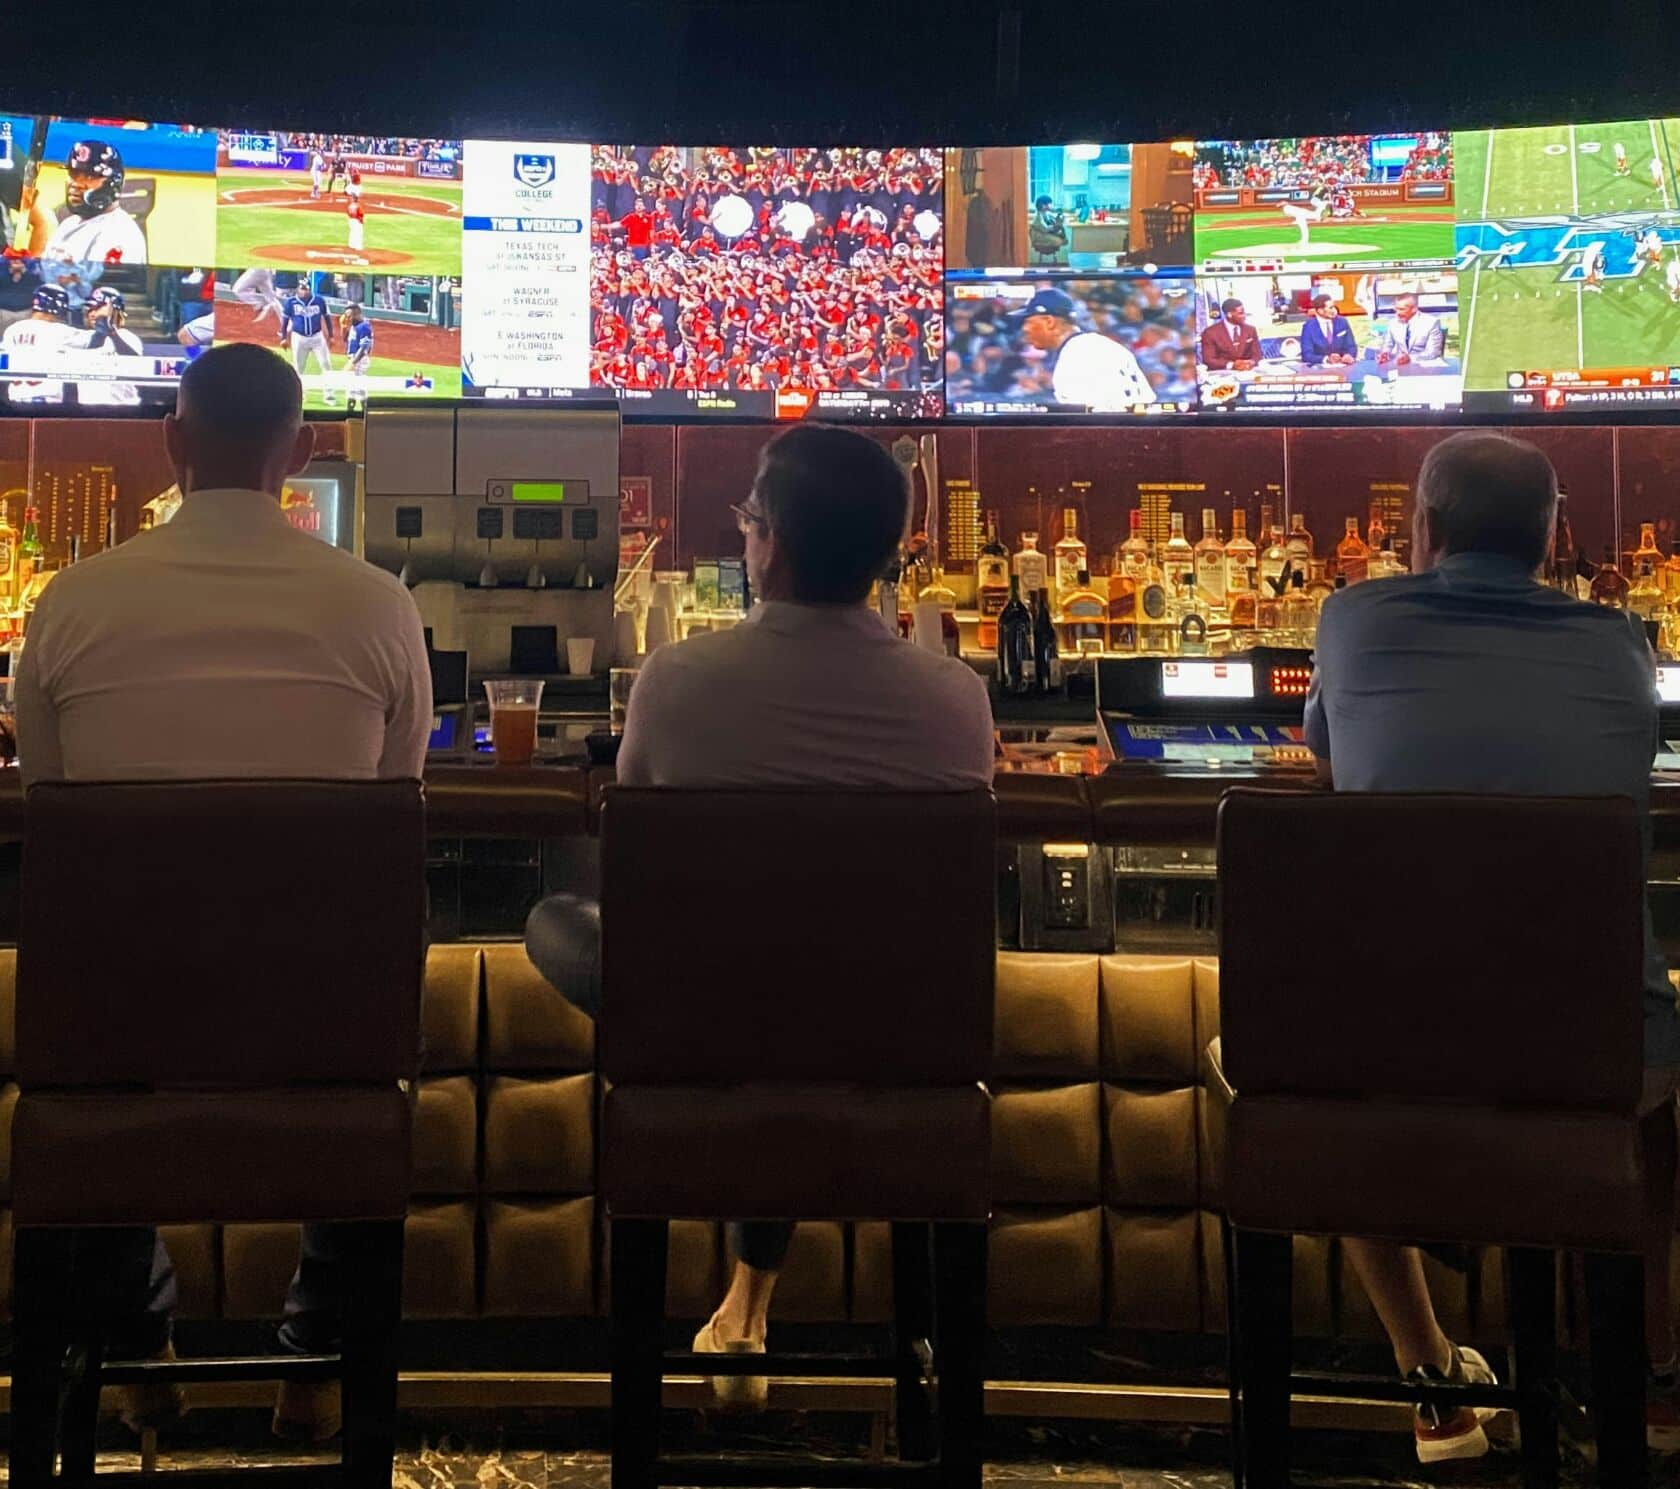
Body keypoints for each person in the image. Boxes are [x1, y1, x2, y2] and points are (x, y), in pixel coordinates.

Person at [11, 342, 432, 1443]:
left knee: (96, 1013)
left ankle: (134, 1342)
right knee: (366, 1001)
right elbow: (392, 807)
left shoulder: (71, 602)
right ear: (303, 451)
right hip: (324, 1035)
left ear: (172, 440)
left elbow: (54, 803)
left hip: (113, 1040)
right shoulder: (380, 606)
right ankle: (319, 1361)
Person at [522, 426, 992, 1407]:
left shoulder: (677, 681)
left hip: (696, 1036)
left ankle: (722, 1309)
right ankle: (756, 1307)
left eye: (746, 523)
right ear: (889, 551)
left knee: (555, 919)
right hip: (895, 1047)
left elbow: (632, 846)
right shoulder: (955, 700)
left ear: (767, 541)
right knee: (802, 981)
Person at [1303, 431, 1680, 1464]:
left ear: (1424, 527)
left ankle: (1432, 1377)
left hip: (1389, 1061)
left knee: (1314, 1056)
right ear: (1550, 539)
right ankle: (1648, 1376)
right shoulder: (1618, 642)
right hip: (1592, 1060)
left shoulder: (1352, 619)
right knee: (1648, 1078)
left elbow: (1330, 758)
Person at [1009, 286, 1155, 410]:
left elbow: (1084, 423)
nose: (1025, 329)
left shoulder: (1074, 358)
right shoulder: (1103, 345)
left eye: (1027, 321)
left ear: (1049, 322)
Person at [21, 139, 148, 266]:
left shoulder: (120, 234)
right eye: (73, 174)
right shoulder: (69, 224)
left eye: (89, 176)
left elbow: (104, 279)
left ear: (115, 182)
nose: (76, 184)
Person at [2, 282, 79, 404]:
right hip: (47, 400)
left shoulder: (12, 330)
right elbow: (94, 341)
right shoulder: (59, 330)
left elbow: (3, 365)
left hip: (15, 400)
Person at [1374, 291, 1446, 366]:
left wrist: (1410, 358)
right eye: (1396, 309)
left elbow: (1433, 352)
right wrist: (1385, 353)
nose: (1397, 313)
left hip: (1423, 366)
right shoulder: (1393, 323)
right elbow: (1387, 345)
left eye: (1401, 309)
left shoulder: (1431, 323)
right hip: (1400, 366)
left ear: (1414, 309)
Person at [283, 278, 335, 377]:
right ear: (298, 289)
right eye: (302, 289)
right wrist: (283, 338)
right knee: (298, 367)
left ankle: (329, 387)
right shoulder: (291, 302)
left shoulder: (319, 300)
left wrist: (331, 336)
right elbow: (285, 321)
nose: (304, 292)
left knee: (326, 364)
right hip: (299, 337)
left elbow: (327, 318)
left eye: (306, 289)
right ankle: (298, 387)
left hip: (317, 337)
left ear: (310, 289)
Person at [1200, 297, 1262, 371]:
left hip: (1248, 372)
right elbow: (1209, 359)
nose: (1244, 316)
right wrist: (1232, 365)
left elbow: (1257, 355)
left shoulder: (1250, 330)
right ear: (1229, 314)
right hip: (1222, 373)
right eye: (1241, 313)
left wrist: (1251, 362)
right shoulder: (1210, 333)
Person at [1298, 293, 1357, 366]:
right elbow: (1306, 354)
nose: (1334, 310)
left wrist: (1349, 355)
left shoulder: (1342, 322)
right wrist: (1326, 359)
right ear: (1320, 310)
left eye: (1334, 307)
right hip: (1319, 370)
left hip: (1343, 366)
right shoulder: (1309, 327)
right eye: (1331, 308)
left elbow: (1351, 346)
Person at [0, 254, 42, 332]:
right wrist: (10, 271)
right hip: (3, 312)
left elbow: (39, 281)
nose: (16, 261)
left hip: (25, 312)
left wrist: (24, 271)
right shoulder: (2, 262)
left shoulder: (31, 263)